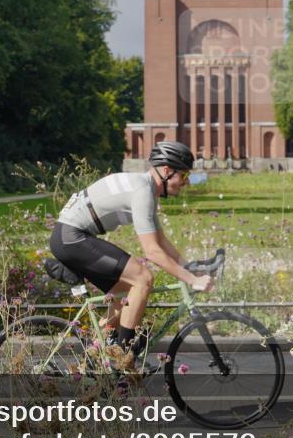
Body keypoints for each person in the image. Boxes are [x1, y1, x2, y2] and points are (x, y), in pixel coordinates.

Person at [49, 141, 214, 357]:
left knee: (124, 290)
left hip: (69, 237)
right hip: (71, 237)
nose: (186, 183)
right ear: (166, 171)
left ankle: (97, 352)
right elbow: (152, 252)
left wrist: (190, 269)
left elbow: (161, 241)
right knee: (143, 277)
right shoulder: (142, 191)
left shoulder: (146, 189)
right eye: (183, 176)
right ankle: (123, 354)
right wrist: (191, 280)